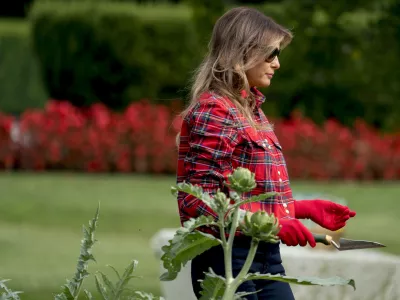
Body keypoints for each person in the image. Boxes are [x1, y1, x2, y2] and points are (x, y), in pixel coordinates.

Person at [175, 6, 356, 300]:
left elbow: (245, 198)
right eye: (271, 54)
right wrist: (276, 224)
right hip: (227, 262)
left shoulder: (251, 112)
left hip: (265, 258)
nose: (277, 64)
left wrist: (300, 208)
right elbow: (200, 204)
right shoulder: (215, 111)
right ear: (243, 53)